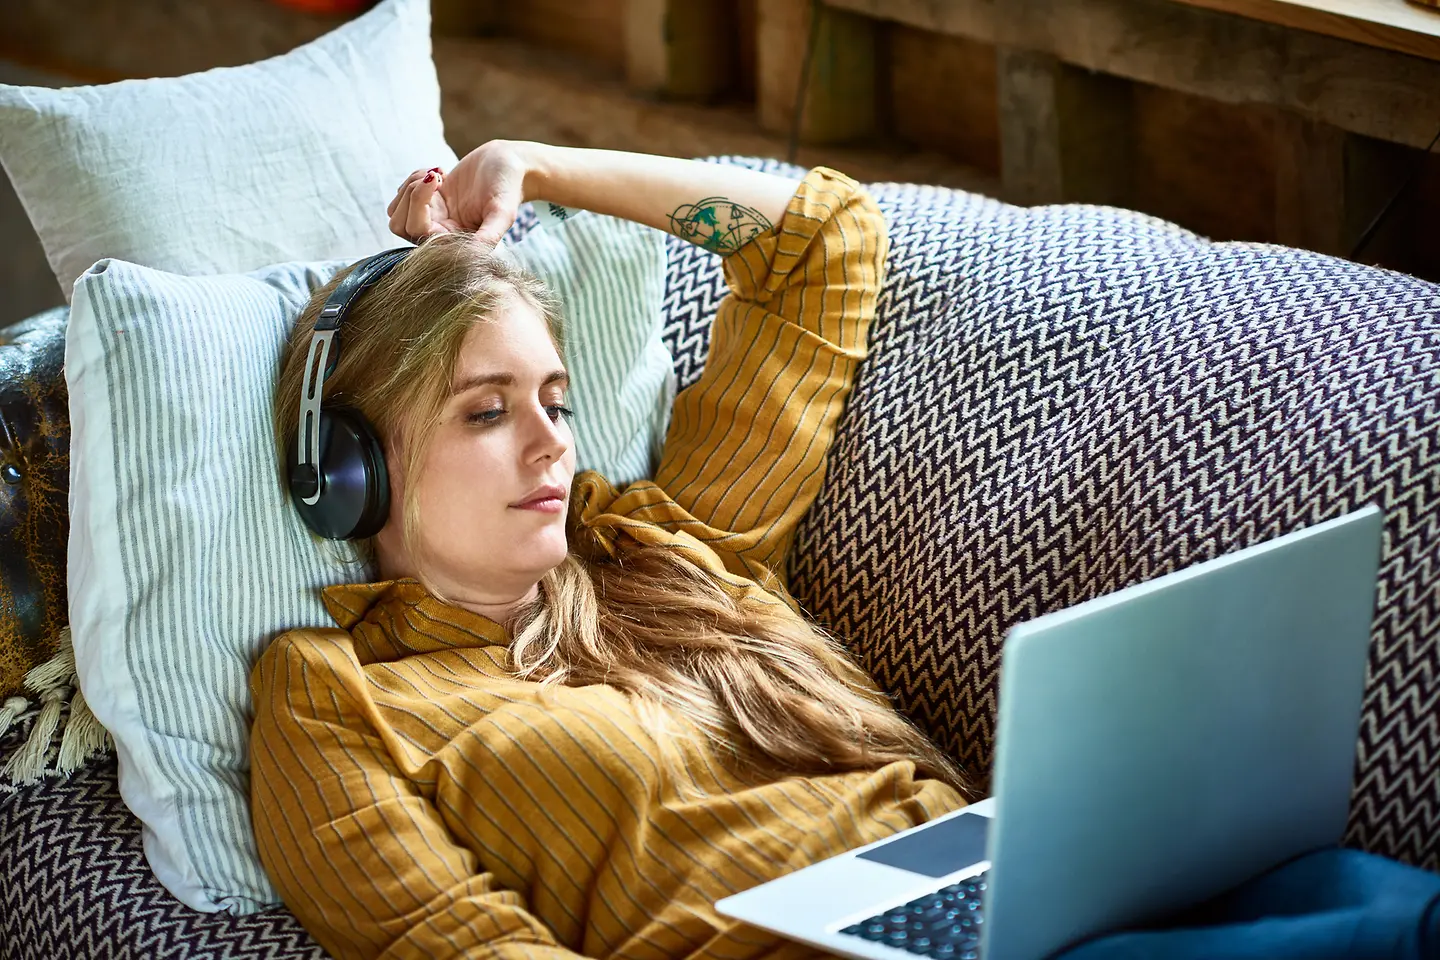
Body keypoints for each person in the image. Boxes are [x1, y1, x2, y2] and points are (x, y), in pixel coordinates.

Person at [250, 141, 972, 960]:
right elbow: (462, 943)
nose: (551, 444)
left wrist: (533, 167)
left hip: (997, 888)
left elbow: (821, 241)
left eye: (555, 404)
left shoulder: (664, 543)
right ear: (349, 468)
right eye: (487, 412)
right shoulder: (336, 696)